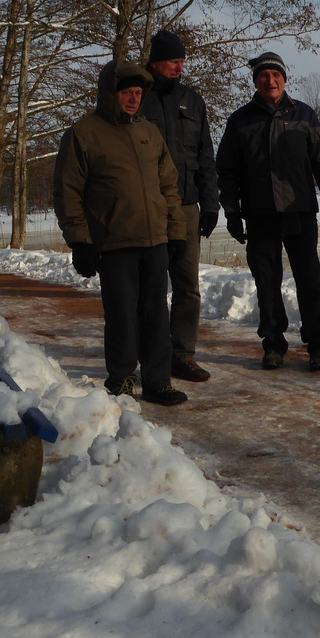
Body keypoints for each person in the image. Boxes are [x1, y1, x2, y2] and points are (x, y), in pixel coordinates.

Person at [54, 59, 189, 405]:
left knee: (156, 312)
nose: (133, 99)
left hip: (155, 240)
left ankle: (158, 381)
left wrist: (176, 232)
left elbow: (169, 186)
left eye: (138, 93)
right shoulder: (84, 133)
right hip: (113, 242)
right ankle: (122, 379)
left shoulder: (149, 133)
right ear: (110, 94)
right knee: (122, 314)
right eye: (126, 92)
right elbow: (68, 191)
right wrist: (80, 241)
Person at [216, 51, 320, 372]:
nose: (270, 81)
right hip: (259, 214)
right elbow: (227, 171)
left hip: (299, 211)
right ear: (255, 81)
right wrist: (231, 212)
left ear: (285, 79)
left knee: (309, 280)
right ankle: (273, 343)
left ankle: (317, 344)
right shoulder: (240, 120)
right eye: (263, 76)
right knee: (266, 283)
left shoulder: (304, 114)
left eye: (275, 75)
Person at [139, 30, 220, 384]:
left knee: (188, 286)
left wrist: (211, 203)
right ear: (155, 61)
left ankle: (182, 356)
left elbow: (205, 155)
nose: (179, 66)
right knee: (152, 286)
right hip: (149, 207)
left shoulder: (193, 101)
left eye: (182, 61)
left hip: (187, 205)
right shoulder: (137, 97)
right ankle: (152, 355)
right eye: (173, 60)